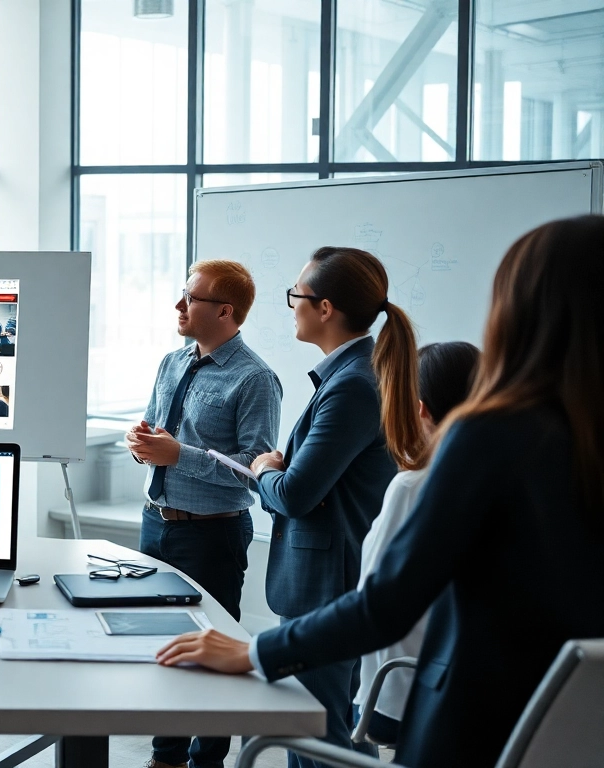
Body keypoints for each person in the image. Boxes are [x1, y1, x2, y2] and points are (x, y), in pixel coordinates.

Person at [155, 215, 604, 768]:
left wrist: (254, 652)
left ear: (521, 312)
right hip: (579, 736)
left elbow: (385, 603)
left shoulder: (493, 436)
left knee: (312, 738)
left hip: (484, 725)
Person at [243, 246, 420, 767]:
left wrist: (262, 471)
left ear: (325, 309)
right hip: (327, 577)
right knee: (328, 730)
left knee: (317, 736)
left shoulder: (352, 385)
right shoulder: (353, 374)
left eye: (296, 295)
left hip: (325, 583)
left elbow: (296, 494)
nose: (291, 305)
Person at [125, 260, 282, 768]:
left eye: (190, 297)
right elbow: (156, 433)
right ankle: (164, 757)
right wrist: (141, 444)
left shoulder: (256, 378)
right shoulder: (172, 362)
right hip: (157, 523)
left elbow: (253, 470)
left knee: (212, 653)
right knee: (160, 647)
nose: (179, 305)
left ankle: (207, 760)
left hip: (213, 535)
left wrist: (179, 456)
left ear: (225, 311)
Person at [353, 340, 480, 745]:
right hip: (475, 697)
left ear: (420, 408)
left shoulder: (411, 487)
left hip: (400, 699)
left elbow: (369, 602)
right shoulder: (504, 483)